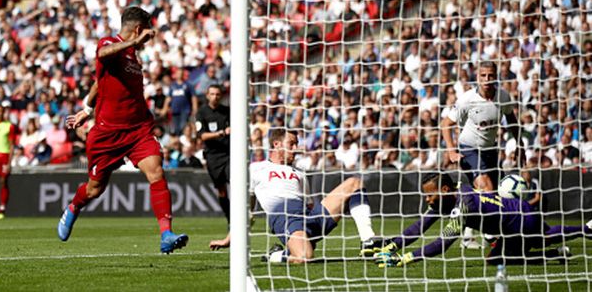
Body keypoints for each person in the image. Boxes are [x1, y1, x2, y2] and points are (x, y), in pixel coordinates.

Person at [58, 6, 188, 254]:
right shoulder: (110, 43)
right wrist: (88, 112)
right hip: (108, 133)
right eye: (146, 33)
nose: (147, 39)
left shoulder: (132, 56)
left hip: (139, 129)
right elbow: (103, 55)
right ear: (138, 29)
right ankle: (74, 206)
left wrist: (86, 108)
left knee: (156, 172)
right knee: (95, 189)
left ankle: (166, 234)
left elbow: (100, 82)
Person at [210, 129, 380, 263]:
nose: (295, 148)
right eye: (291, 144)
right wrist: (228, 239)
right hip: (285, 216)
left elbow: (310, 204)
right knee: (305, 257)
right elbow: (248, 212)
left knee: (354, 183)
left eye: (296, 144)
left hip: (309, 216)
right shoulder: (255, 169)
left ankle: (368, 240)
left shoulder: (300, 174)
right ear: (276, 144)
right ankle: (276, 256)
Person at [373, 173, 592, 267]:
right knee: (501, 258)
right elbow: (420, 226)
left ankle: (583, 231)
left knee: (540, 240)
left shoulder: (464, 205)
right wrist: (392, 246)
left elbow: (443, 243)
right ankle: (561, 249)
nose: (427, 200)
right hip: (513, 219)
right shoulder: (448, 198)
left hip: (521, 219)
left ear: (445, 189)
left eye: (429, 194)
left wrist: (406, 258)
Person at [442, 61, 520, 248]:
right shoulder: (467, 99)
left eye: (490, 75)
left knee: (490, 195)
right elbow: (446, 124)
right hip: (468, 149)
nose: (487, 79)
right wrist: (451, 150)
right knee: (487, 187)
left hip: (490, 150)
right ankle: (490, 233)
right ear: (477, 77)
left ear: (496, 76)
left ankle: (469, 235)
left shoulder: (503, 96)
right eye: (483, 75)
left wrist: (520, 144)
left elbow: (512, 120)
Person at [196, 84, 231, 230]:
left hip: (229, 154)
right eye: (212, 94)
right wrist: (222, 133)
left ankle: (240, 218)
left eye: (217, 94)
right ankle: (230, 219)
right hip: (213, 156)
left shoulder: (227, 111)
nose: (215, 97)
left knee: (235, 184)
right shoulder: (201, 113)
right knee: (222, 190)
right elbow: (202, 135)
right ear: (207, 95)